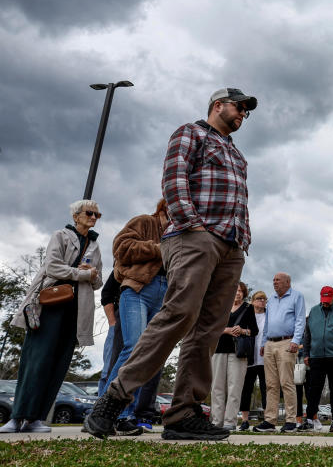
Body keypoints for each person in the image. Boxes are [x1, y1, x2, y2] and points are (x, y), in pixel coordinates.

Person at [85, 87, 257, 441]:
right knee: (178, 314)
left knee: (208, 329)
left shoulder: (237, 154)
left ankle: (183, 414)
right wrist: (190, 223)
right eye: (238, 107)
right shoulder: (190, 133)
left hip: (230, 245)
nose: (242, 113)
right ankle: (113, 400)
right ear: (217, 105)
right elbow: (175, 179)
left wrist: (244, 236)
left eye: (246, 111)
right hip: (195, 236)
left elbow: (239, 198)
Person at [3, 200, 103, 433]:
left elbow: (97, 280)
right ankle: (17, 417)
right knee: (36, 361)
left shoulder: (96, 245)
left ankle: (36, 418)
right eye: (90, 213)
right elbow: (52, 267)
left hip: (76, 309)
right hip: (49, 304)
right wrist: (82, 274)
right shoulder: (60, 235)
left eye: (98, 214)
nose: (94, 217)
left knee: (59, 363)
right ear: (76, 215)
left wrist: (93, 276)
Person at [105, 199, 171, 435]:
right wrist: (159, 248)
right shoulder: (145, 221)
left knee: (147, 354)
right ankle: (114, 413)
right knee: (133, 348)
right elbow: (121, 247)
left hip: (166, 294)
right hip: (138, 289)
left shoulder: (181, 235)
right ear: (165, 207)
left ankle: (118, 415)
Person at [254, 272, 305, 432]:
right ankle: (270, 421)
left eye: (278, 280)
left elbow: (300, 319)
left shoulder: (297, 297)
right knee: (270, 384)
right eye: (273, 280)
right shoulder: (272, 299)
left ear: (288, 282)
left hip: (287, 342)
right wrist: (263, 343)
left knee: (286, 383)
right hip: (270, 343)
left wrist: (296, 341)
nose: (274, 282)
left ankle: (290, 420)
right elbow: (268, 323)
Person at [301, 285, 333, 432]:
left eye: (328, 300)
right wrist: (306, 353)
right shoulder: (314, 311)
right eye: (323, 299)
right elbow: (307, 334)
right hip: (316, 357)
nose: (325, 302)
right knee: (313, 390)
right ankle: (310, 419)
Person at [210, 282, 258, 430]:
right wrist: (226, 330)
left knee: (234, 388)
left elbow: (254, 331)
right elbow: (211, 328)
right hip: (218, 350)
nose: (237, 293)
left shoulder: (248, 308)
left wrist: (243, 331)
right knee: (217, 387)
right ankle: (216, 421)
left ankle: (230, 422)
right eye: (235, 290)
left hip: (238, 353)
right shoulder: (221, 306)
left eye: (240, 291)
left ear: (244, 293)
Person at [239, 290, 268, 430]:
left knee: (266, 389)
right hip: (249, 356)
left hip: (265, 358)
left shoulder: (269, 315)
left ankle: (268, 419)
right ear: (252, 300)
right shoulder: (246, 314)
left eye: (264, 299)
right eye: (258, 298)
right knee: (246, 389)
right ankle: (245, 420)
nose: (261, 301)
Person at [97, 270, 122, 397]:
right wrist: (112, 322)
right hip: (118, 324)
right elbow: (106, 294)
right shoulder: (124, 263)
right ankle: (100, 409)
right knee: (108, 370)